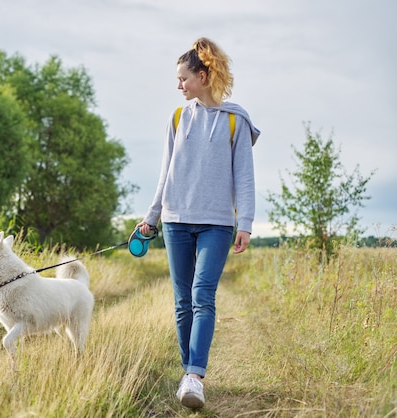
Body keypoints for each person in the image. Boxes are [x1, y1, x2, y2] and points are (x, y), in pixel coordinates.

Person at [137, 37, 260, 409]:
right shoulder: (177, 118)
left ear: (203, 77)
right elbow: (165, 174)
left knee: (202, 295)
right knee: (182, 301)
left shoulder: (236, 121)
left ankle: (194, 376)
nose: (179, 86)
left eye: (183, 78)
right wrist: (151, 217)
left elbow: (245, 177)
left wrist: (246, 222)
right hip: (175, 220)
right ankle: (188, 371)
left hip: (216, 224)